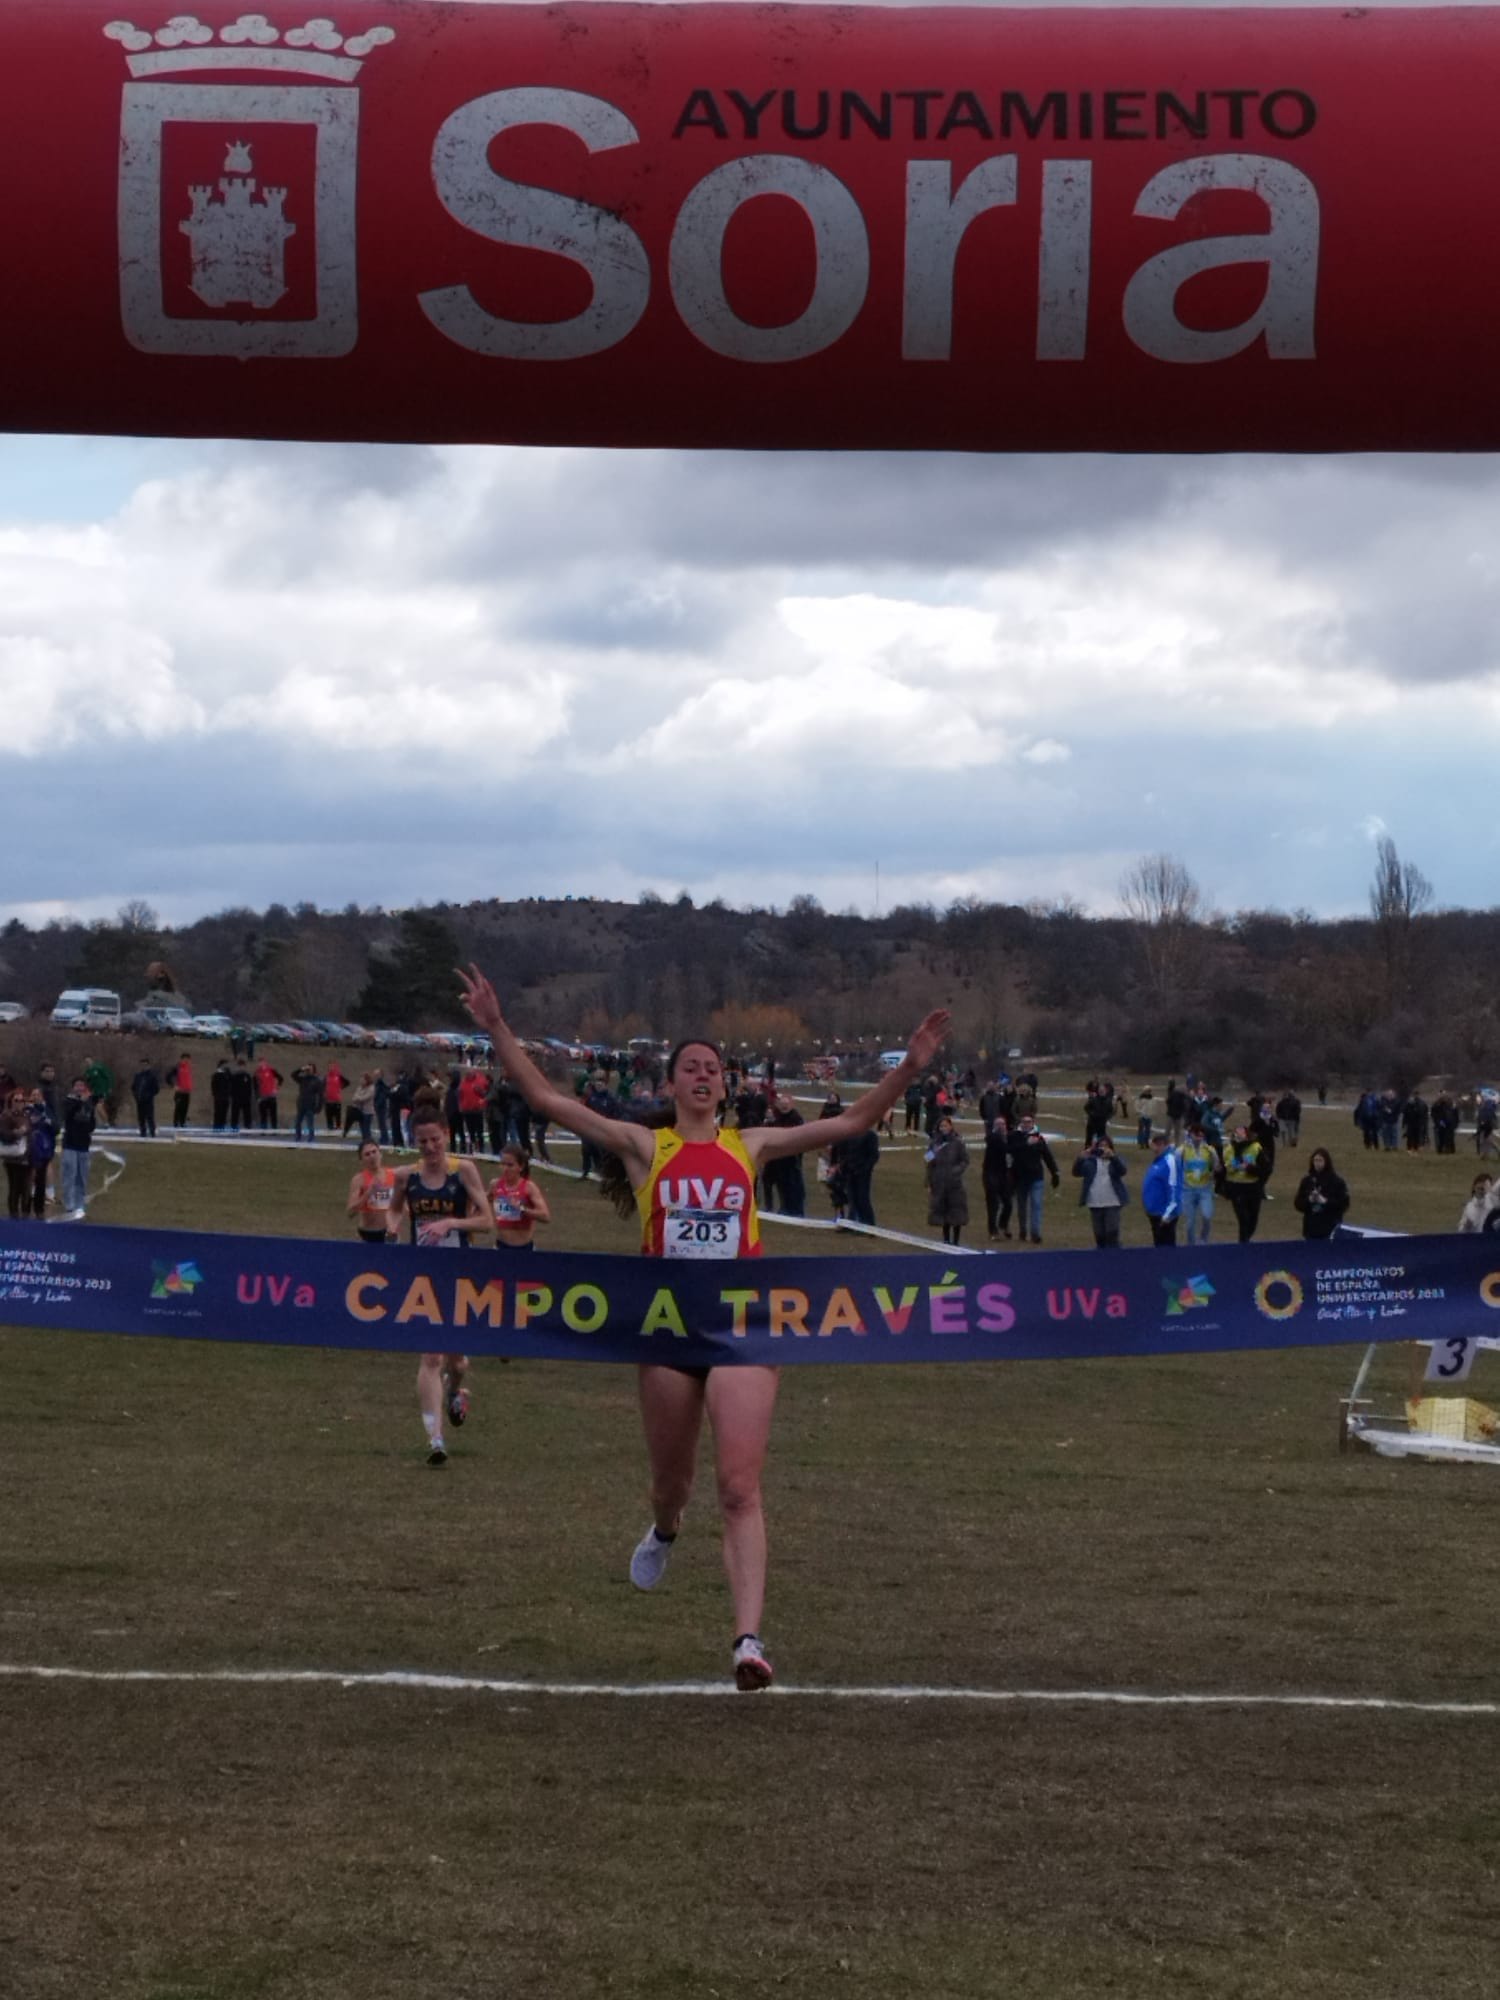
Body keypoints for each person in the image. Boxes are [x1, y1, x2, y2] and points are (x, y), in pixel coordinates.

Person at [460, 962, 947, 1693]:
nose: (701, 1075)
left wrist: (907, 1069)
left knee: (739, 1485)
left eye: (712, 1068)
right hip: (665, 1332)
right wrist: (497, 1026)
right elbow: (545, 1099)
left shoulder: (749, 1146)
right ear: (670, 1085)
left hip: (742, 1330)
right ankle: (664, 1529)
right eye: (689, 1067)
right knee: (673, 1481)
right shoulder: (641, 1147)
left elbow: (848, 1124)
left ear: (724, 1086)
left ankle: (748, 1640)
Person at [387, 1107, 495, 1465]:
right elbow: (395, 1209)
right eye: (422, 1142)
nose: (430, 1147)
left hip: (460, 1273)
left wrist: (450, 1223)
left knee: (457, 1359)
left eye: (435, 1139)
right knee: (431, 1355)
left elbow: (487, 1220)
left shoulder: (462, 1170)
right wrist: (392, 1227)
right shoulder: (405, 1176)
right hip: (423, 1275)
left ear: (446, 1135)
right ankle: (435, 1439)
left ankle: (455, 1391)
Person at [1009, 1113, 1060, 1244]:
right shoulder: (1015, 1136)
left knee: (1036, 1205)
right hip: (1020, 1177)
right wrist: (1026, 1143)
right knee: (1022, 1207)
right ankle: (1022, 1231)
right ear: (1021, 1123)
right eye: (1024, 1122)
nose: (1026, 1124)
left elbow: (1047, 1156)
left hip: (1036, 1177)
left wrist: (1055, 1172)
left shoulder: (1039, 1138)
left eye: (1029, 1122)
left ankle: (1035, 1233)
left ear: (1033, 1123)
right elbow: (1011, 1150)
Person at [488, 1143, 551, 1250]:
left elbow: (545, 1216)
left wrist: (522, 1209)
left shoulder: (529, 1187)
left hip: (525, 1249)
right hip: (501, 1247)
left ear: (521, 1167)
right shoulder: (495, 1185)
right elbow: (484, 1202)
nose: (505, 1169)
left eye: (510, 1165)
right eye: (502, 1164)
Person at [1073, 1134, 1129, 1247]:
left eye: (1106, 1146)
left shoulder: (1117, 1159)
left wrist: (1112, 1157)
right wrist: (1080, 1158)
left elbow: (1122, 1171)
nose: (1103, 1149)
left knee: (1112, 1232)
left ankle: (1114, 1256)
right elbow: (1076, 1172)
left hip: (1112, 1201)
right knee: (1099, 1234)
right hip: (1095, 1202)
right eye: (1101, 1146)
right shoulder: (1090, 1162)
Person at [924, 1113, 969, 1246]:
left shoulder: (958, 1143)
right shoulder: (935, 1143)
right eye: (941, 1126)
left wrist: (956, 1171)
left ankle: (956, 1241)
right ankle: (946, 1239)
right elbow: (928, 1162)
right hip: (939, 1182)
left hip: (955, 1184)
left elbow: (965, 1160)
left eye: (945, 1125)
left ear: (951, 1126)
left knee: (956, 1211)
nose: (943, 1128)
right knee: (943, 1212)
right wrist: (928, 1181)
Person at [346, 1138, 398, 1243]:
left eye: (374, 1152)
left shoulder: (393, 1175)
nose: (372, 1156)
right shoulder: (359, 1180)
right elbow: (350, 1212)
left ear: (380, 1154)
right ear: (361, 1159)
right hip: (367, 1235)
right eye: (367, 1154)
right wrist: (369, 1192)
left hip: (390, 1234)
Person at [1222, 1125, 1268, 1243]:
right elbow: (1228, 1168)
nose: (1239, 1134)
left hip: (1253, 1188)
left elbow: (1265, 1168)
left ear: (1247, 1134)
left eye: (1242, 1132)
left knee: (1253, 1219)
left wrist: (1249, 1168)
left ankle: (1245, 1240)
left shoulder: (1256, 1147)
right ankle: (1242, 1244)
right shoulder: (1229, 1149)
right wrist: (1238, 1164)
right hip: (1236, 1187)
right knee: (1243, 1218)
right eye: (1236, 1132)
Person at [1178, 1123, 1220, 1246]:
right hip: (1187, 1190)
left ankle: (1203, 1239)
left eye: (1201, 1135)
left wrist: (1216, 1170)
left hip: (1205, 1189)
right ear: (1190, 1135)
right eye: (1196, 1135)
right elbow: (1176, 1166)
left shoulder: (1210, 1150)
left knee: (1207, 1216)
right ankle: (1190, 1245)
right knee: (1190, 1223)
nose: (1199, 1138)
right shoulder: (1182, 1150)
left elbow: (1217, 1166)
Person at [60, 1076, 96, 1216]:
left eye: (82, 1085)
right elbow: (67, 1115)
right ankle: (69, 1204)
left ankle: (79, 1204)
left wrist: (88, 1126)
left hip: (84, 1144)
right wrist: (79, 1102)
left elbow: (92, 1123)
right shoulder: (68, 1101)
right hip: (70, 1143)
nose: (80, 1088)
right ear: (73, 1087)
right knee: (70, 1174)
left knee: (82, 1176)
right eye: (77, 1085)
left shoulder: (89, 1103)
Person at [1294, 1148, 1349, 1239]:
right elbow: (1298, 1203)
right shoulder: (1307, 1181)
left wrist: (1325, 1201)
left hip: (1330, 1228)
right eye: (1315, 1160)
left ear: (1326, 1162)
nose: (1317, 1163)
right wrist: (1309, 1200)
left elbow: (1343, 1204)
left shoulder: (1337, 1182)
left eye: (1320, 1160)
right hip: (1311, 1229)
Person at [1140, 1132, 1182, 1246]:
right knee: (1158, 1246)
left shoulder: (1169, 1161)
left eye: (1159, 1145)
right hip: (1155, 1213)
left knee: (1166, 1248)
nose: (1156, 1148)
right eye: (1155, 1145)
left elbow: (1173, 1188)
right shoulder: (1159, 1160)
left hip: (1164, 1215)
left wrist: (1168, 1214)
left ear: (1165, 1145)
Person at [981, 1115, 1014, 1241]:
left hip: (1004, 1174)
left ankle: (1003, 1224)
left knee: (1008, 1203)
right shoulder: (993, 1138)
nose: (1001, 1127)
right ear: (995, 1127)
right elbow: (1001, 1146)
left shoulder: (1008, 1137)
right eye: (998, 1125)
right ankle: (993, 1231)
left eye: (1003, 1124)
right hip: (991, 1173)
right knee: (993, 1203)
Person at [0, 1088, 29, 1216]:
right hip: (13, 1157)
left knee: (26, 1187)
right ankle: (14, 1214)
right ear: (11, 1101)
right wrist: (15, 1133)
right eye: (16, 1100)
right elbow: (3, 1134)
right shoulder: (6, 1116)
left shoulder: (27, 1115)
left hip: (27, 1156)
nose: (19, 1102)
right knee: (15, 1186)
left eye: (22, 1100)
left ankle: (25, 1212)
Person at [131, 1059, 160, 1138]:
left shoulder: (152, 1076)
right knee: (141, 1117)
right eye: (142, 1065)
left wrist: (149, 1095)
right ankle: (142, 1132)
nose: (143, 1067)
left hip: (148, 1100)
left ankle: (152, 1132)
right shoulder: (138, 1076)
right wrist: (136, 1095)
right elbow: (133, 1087)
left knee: (150, 1116)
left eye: (145, 1065)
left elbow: (156, 1089)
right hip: (139, 1100)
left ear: (148, 1065)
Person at [170, 1051, 193, 1128]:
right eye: (185, 1059)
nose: (187, 1061)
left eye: (188, 1059)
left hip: (187, 1092)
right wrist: (174, 1085)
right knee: (178, 1108)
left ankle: (182, 1123)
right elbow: (168, 1077)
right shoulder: (177, 1067)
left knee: (185, 1109)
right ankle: (176, 1124)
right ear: (182, 1059)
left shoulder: (188, 1068)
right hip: (179, 1092)